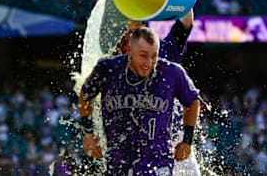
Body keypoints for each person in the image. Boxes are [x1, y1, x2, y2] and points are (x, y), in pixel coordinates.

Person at [79, 26, 200, 175]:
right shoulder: (107, 68)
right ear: (129, 51)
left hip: (158, 162)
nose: (149, 63)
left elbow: (193, 101)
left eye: (154, 56)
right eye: (143, 55)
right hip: (118, 162)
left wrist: (187, 140)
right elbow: (85, 95)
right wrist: (87, 134)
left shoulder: (171, 72)